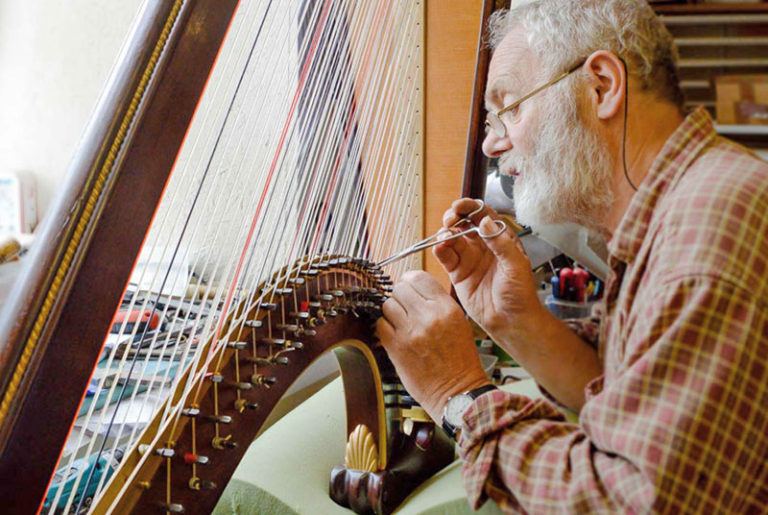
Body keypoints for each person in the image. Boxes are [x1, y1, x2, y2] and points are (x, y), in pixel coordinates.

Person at [376, 0, 768, 512]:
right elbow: (625, 403)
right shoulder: (685, 207)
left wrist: (456, 393)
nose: (492, 145)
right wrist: (514, 319)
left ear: (601, 86)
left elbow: (628, 502)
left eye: (510, 108)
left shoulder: (706, 233)